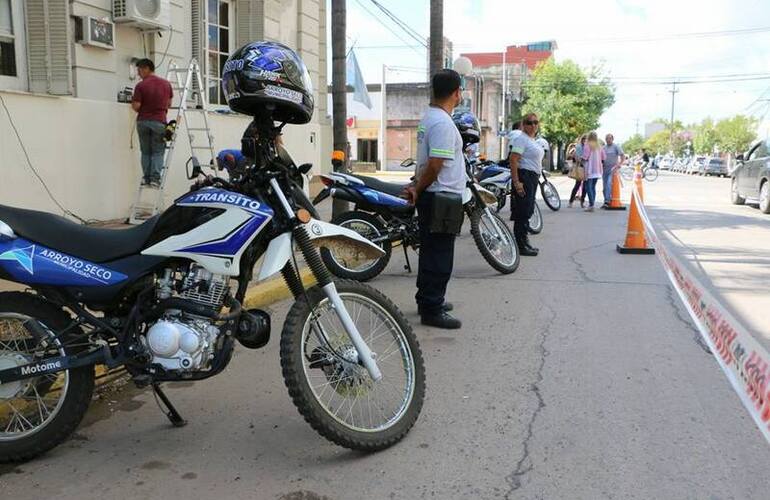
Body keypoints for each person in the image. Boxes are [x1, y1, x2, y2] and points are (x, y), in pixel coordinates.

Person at [403, 69, 464, 330]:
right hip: (442, 197)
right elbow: (436, 164)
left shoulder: (432, 117)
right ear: (456, 93)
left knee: (431, 251)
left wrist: (419, 187)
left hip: (436, 195)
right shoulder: (442, 123)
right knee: (440, 255)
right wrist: (418, 188)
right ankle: (432, 307)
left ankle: (427, 299)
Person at [132, 59, 173, 188]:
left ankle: (146, 178)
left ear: (146, 68)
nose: (139, 74)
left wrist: (137, 104)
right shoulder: (166, 84)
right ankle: (155, 179)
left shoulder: (141, 86)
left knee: (145, 152)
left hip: (143, 122)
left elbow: (136, 106)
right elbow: (169, 103)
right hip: (159, 122)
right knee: (158, 152)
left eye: (139, 70)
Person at [509, 112, 543, 256]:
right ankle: (521, 246)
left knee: (528, 210)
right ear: (523, 125)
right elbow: (513, 159)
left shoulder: (532, 140)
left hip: (532, 177)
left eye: (535, 122)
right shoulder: (521, 139)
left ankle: (525, 242)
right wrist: (517, 182)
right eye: (529, 122)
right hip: (524, 176)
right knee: (522, 212)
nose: (533, 125)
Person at [581, 131, 605, 211]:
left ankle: (591, 205)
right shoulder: (599, 146)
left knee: (588, 187)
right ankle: (592, 204)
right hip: (597, 169)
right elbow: (603, 157)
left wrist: (581, 158)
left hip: (590, 169)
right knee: (593, 187)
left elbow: (585, 157)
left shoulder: (587, 145)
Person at [601, 133, 624, 207]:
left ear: (612, 139)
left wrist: (619, 164)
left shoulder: (616, 147)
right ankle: (606, 201)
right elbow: (601, 158)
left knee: (608, 184)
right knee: (604, 187)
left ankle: (607, 201)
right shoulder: (603, 148)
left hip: (613, 169)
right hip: (604, 169)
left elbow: (622, 156)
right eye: (606, 138)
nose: (608, 140)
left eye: (609, 138)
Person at [569, 134, 587, 208]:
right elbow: (576, 156)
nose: (585, 141)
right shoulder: (578, 147)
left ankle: (582, 202)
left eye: (586, 140)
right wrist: (581, 159)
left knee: (585, 187)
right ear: (582, 139)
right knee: (577, 185)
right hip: (580, 167)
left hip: (586, 168)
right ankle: (571, 201)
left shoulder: (588, 147)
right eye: (584, 139)